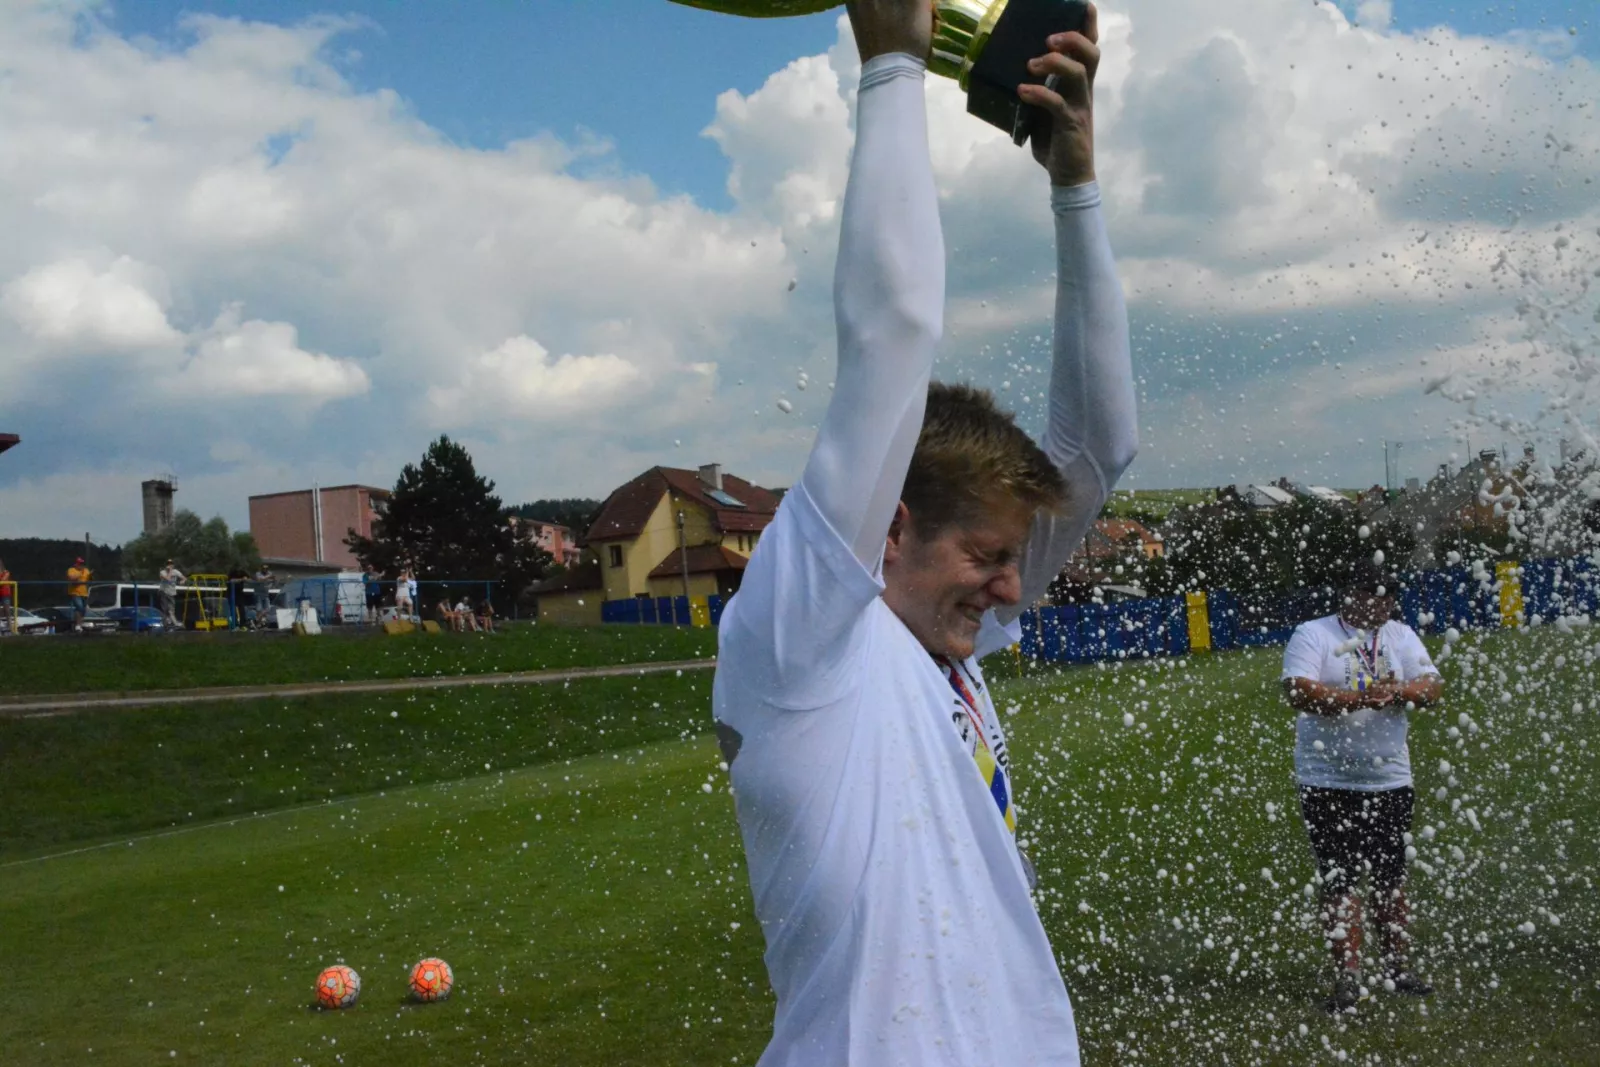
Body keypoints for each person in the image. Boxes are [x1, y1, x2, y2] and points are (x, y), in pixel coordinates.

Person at [712, 4, 1136, 1063]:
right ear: (890, 528)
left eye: (1011, 559)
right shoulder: (806, 648)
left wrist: (1075, 184)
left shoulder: (943, 647)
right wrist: (893, 67)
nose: (1011, 590)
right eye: (986, 558)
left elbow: (1099, 449)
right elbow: (892, 340)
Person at [1282, 560, 1444, 1014]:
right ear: (1351, 594)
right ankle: (1348, 978)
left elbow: (1432, 687)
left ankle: (1397, 968)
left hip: (1390, 778)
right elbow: (1297, 691)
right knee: (1340, 878)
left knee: (1391, 877)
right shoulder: (1313, 633)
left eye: (1390, 598)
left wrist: (1398, 693)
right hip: (1327, 778)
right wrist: (1357, 699)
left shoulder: (1400, 635)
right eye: (1376, 596)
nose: (1384, 606)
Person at [158, 559, 185, 629]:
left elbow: (184, 578)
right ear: (166, 565)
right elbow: (168, 579)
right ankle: (166, 622)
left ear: (173, 565)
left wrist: (183, 581)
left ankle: (173, 622)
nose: (169, 565)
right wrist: (170, 571)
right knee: (165, 608)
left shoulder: (176, 571)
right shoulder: (162, 572)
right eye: (168, 564)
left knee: (172, 609)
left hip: (172, 592)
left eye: (171, 564)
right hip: (163, 591)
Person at [66, 557, 92, 631]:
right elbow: (72, 579)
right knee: (79, 607)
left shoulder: (86, 570)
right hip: (75, 592)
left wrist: (91, 575)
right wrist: (80, 574)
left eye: (82, 564)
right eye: (79, 564)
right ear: (76, 564)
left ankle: (80, 623)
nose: (81, 565)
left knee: (83, 609)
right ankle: (78, 624)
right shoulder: (71, 570)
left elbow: (89, 579)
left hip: (84, 593)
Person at [0, 557, 12, 636]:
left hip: (5, 594)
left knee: (7, 611)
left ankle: (10, 628)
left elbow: (2, 581)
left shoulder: (6, 572)